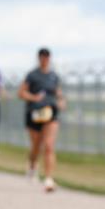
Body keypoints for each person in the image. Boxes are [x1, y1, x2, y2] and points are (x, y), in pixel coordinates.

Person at [18, 47, 65, 192]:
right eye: (42, 57)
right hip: (35, 114)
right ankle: (32, 165)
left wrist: (61, 101)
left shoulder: (54, 76)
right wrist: (33, 97)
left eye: (47, 57)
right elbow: (21, 93)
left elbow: (58, 93)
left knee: (49, 145)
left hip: (50, 114)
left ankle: (49, 179)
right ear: (39, 58)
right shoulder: (32, 75)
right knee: (36, 147)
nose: (45, 59)